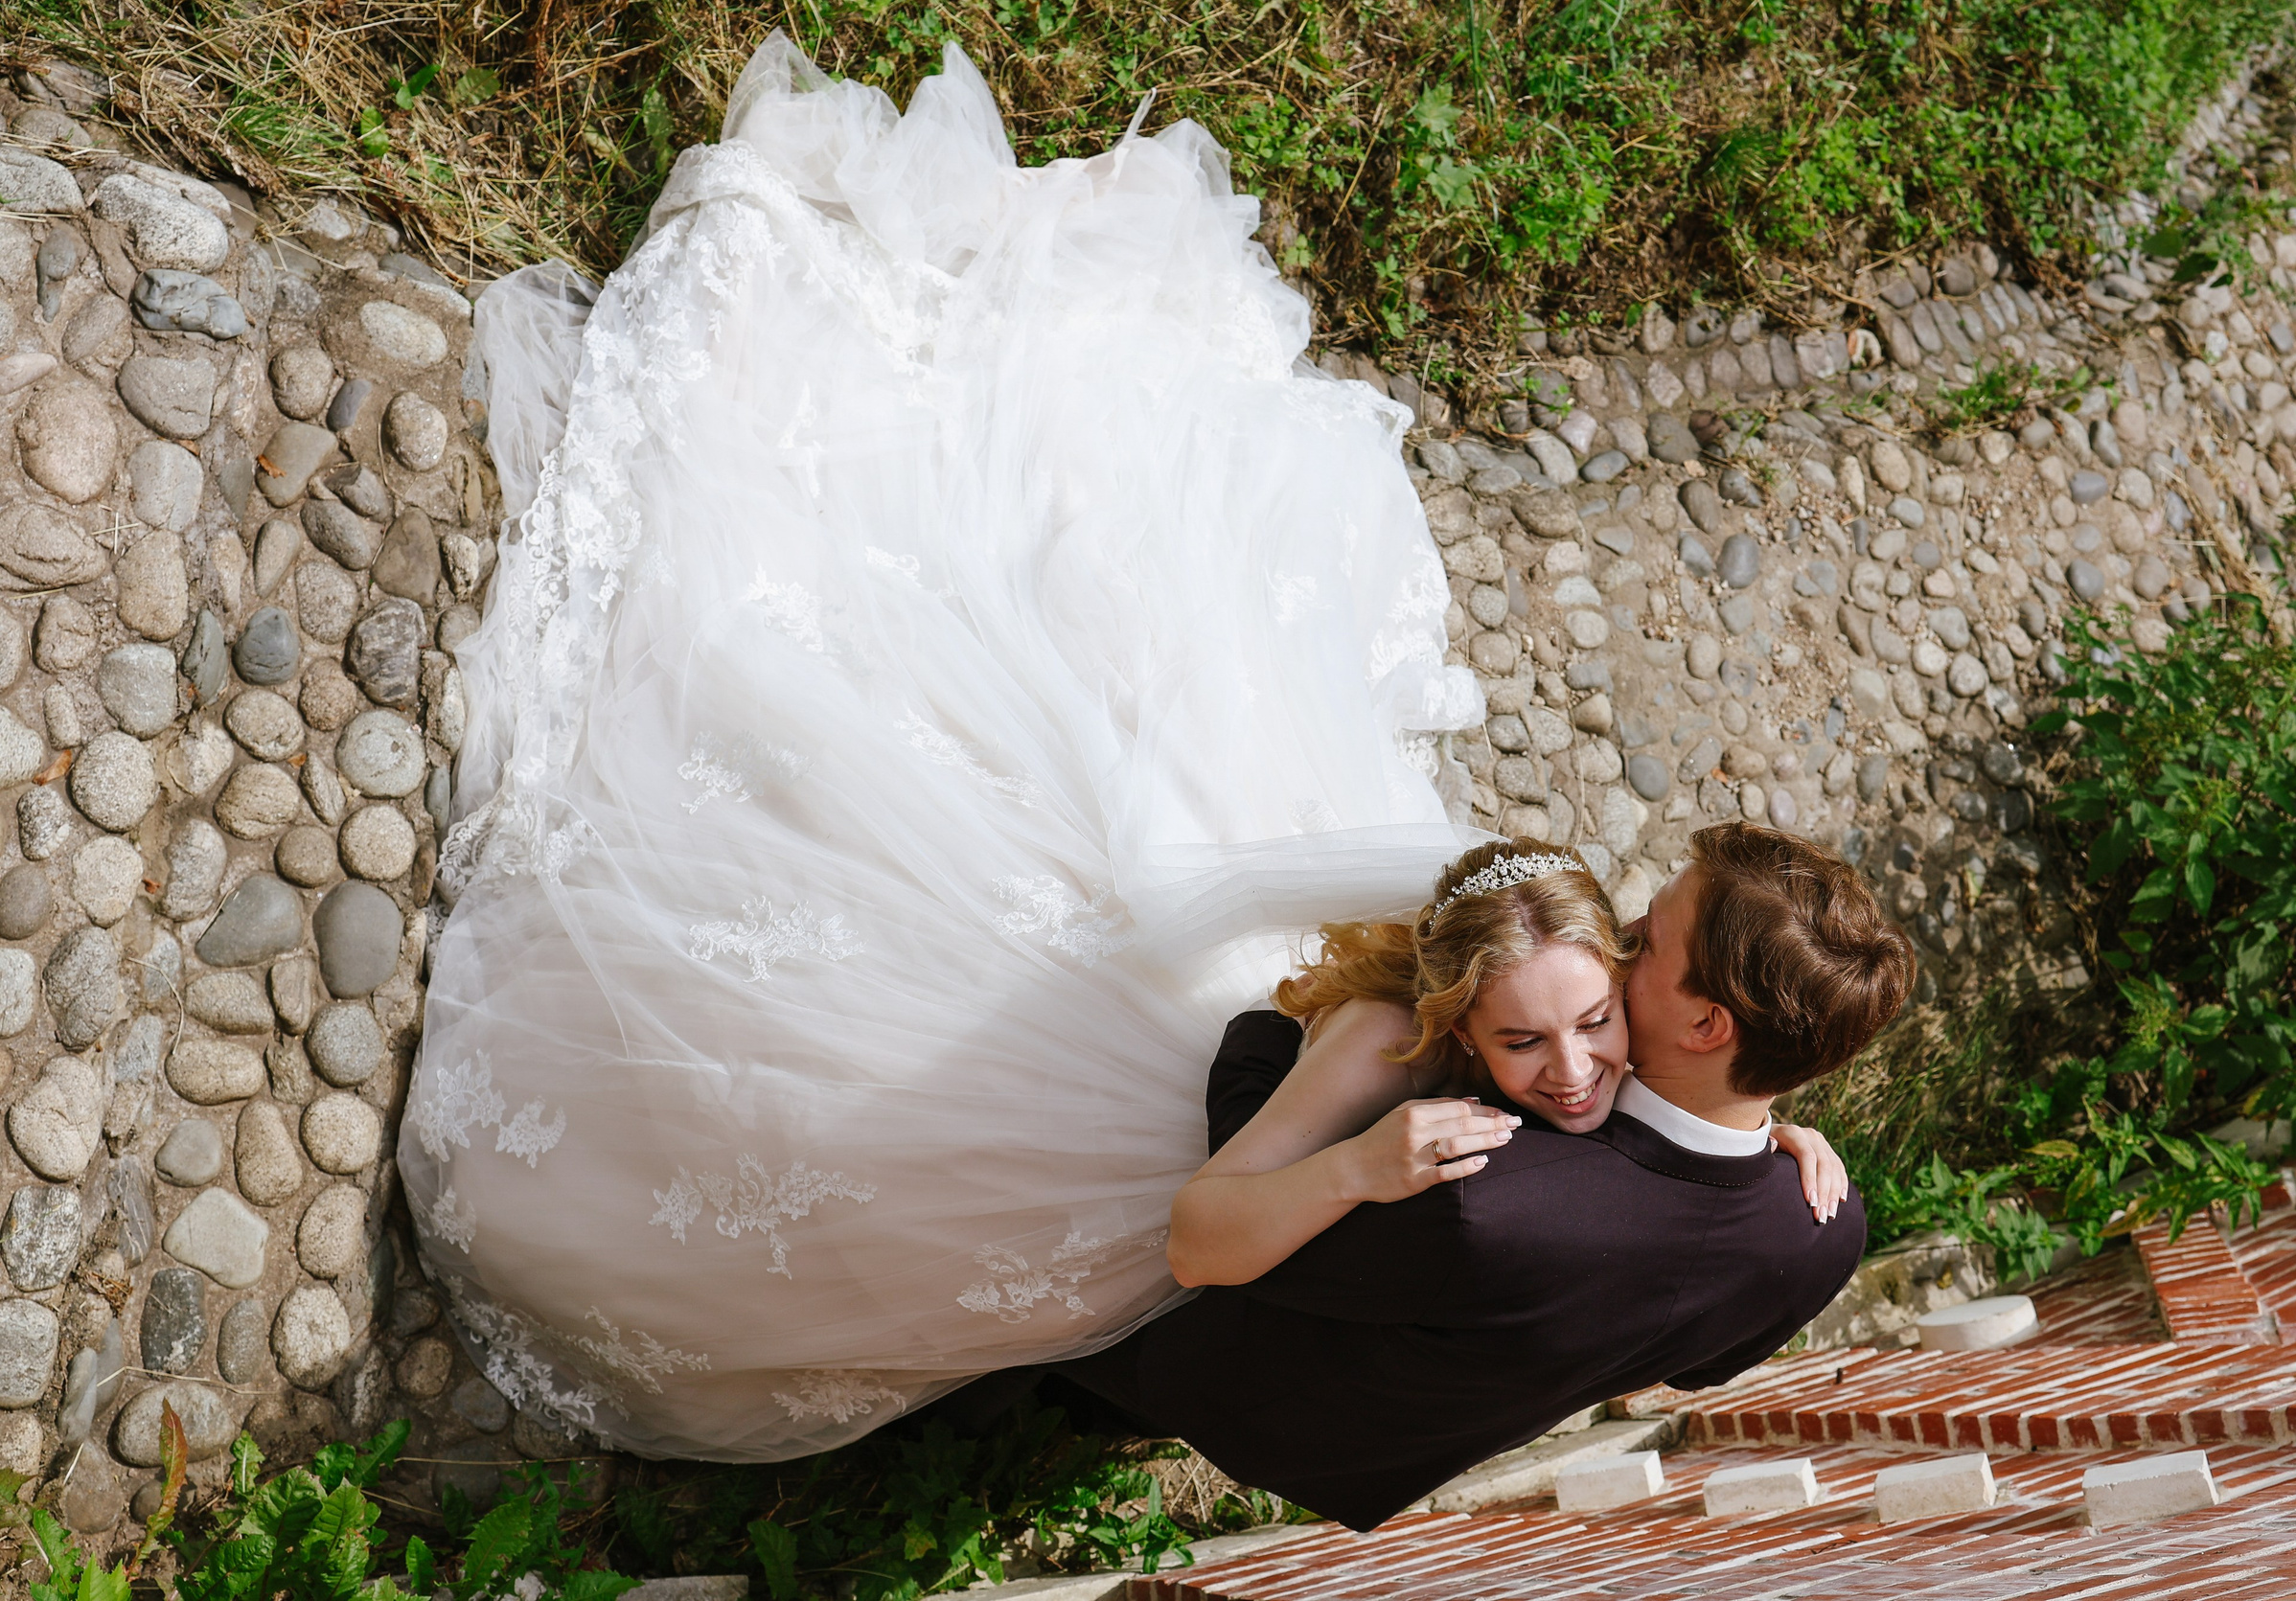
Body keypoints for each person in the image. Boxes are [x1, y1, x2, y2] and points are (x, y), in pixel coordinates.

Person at [409, 34, 1487, 1459]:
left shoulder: (1553, 1081)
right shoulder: (1446, 993)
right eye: (1577, 1030)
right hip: (1248, 997)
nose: (1577, 1064)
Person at [1054, 821, 1914, 1529]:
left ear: (1705, 1025)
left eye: (1646, 939)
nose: (1623, 935)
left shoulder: (1482, 1195)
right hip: (1383, 1451)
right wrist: (1764, 1134)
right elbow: (1693, 1366)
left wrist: (1293, 1076)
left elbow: (1220, 1253)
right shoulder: (1826, 1230)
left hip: (1219, 1380)